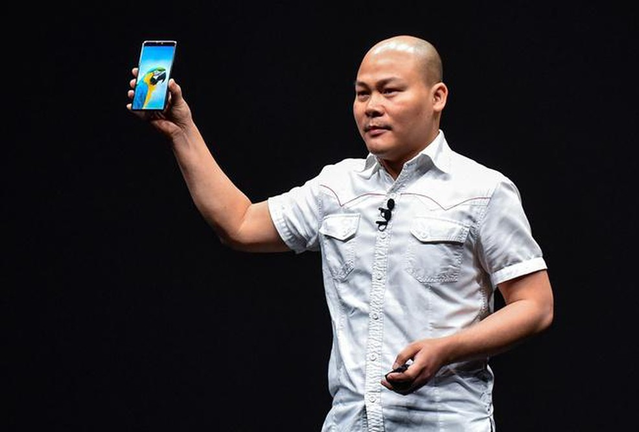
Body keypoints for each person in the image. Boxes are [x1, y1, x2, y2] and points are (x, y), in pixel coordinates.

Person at [127, 34, 554, 431]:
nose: (372, 107)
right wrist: (182, 131)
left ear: (436, 97)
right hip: (350, 422)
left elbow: (535, 306)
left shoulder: (482, 190)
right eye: (362, 93)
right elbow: (238, 224)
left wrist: (448, 348)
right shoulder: (336, 187)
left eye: (390, 91)